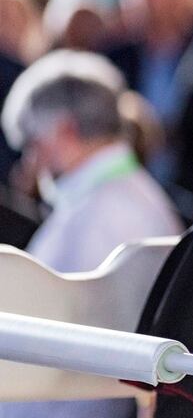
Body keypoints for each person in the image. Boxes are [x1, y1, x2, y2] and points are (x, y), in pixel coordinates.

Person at [1, 49, 181, 272]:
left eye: (33, 144)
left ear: (65, 131)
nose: (31, 163)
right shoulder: (129, 195)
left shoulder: (95, 219)